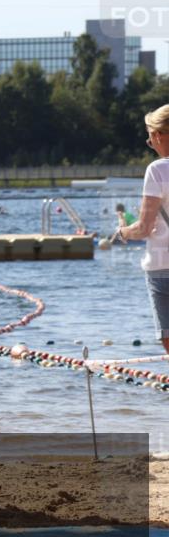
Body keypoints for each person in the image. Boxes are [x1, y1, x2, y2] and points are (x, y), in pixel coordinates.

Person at [116, 104, 169, 354]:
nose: (150, 142)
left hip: (163, 268)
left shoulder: (158, 169)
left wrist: (123, 232)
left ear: (159, 135)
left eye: (150, 137)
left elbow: (145, 228)